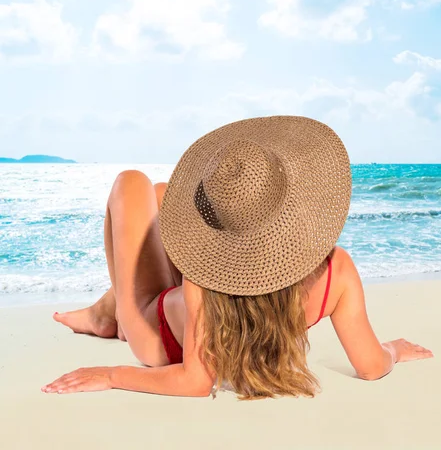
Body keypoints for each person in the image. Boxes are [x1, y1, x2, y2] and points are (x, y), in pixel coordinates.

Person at [42, 115, 433, 400]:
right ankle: (105, 309)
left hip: (160, 339)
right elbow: (370, 366)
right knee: (162, 196)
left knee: (134, 183)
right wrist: (393, 350)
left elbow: (195, 381)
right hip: (203, 324)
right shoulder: (338, 270)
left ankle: (105, 317)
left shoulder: (206, 269)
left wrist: (111, 375)